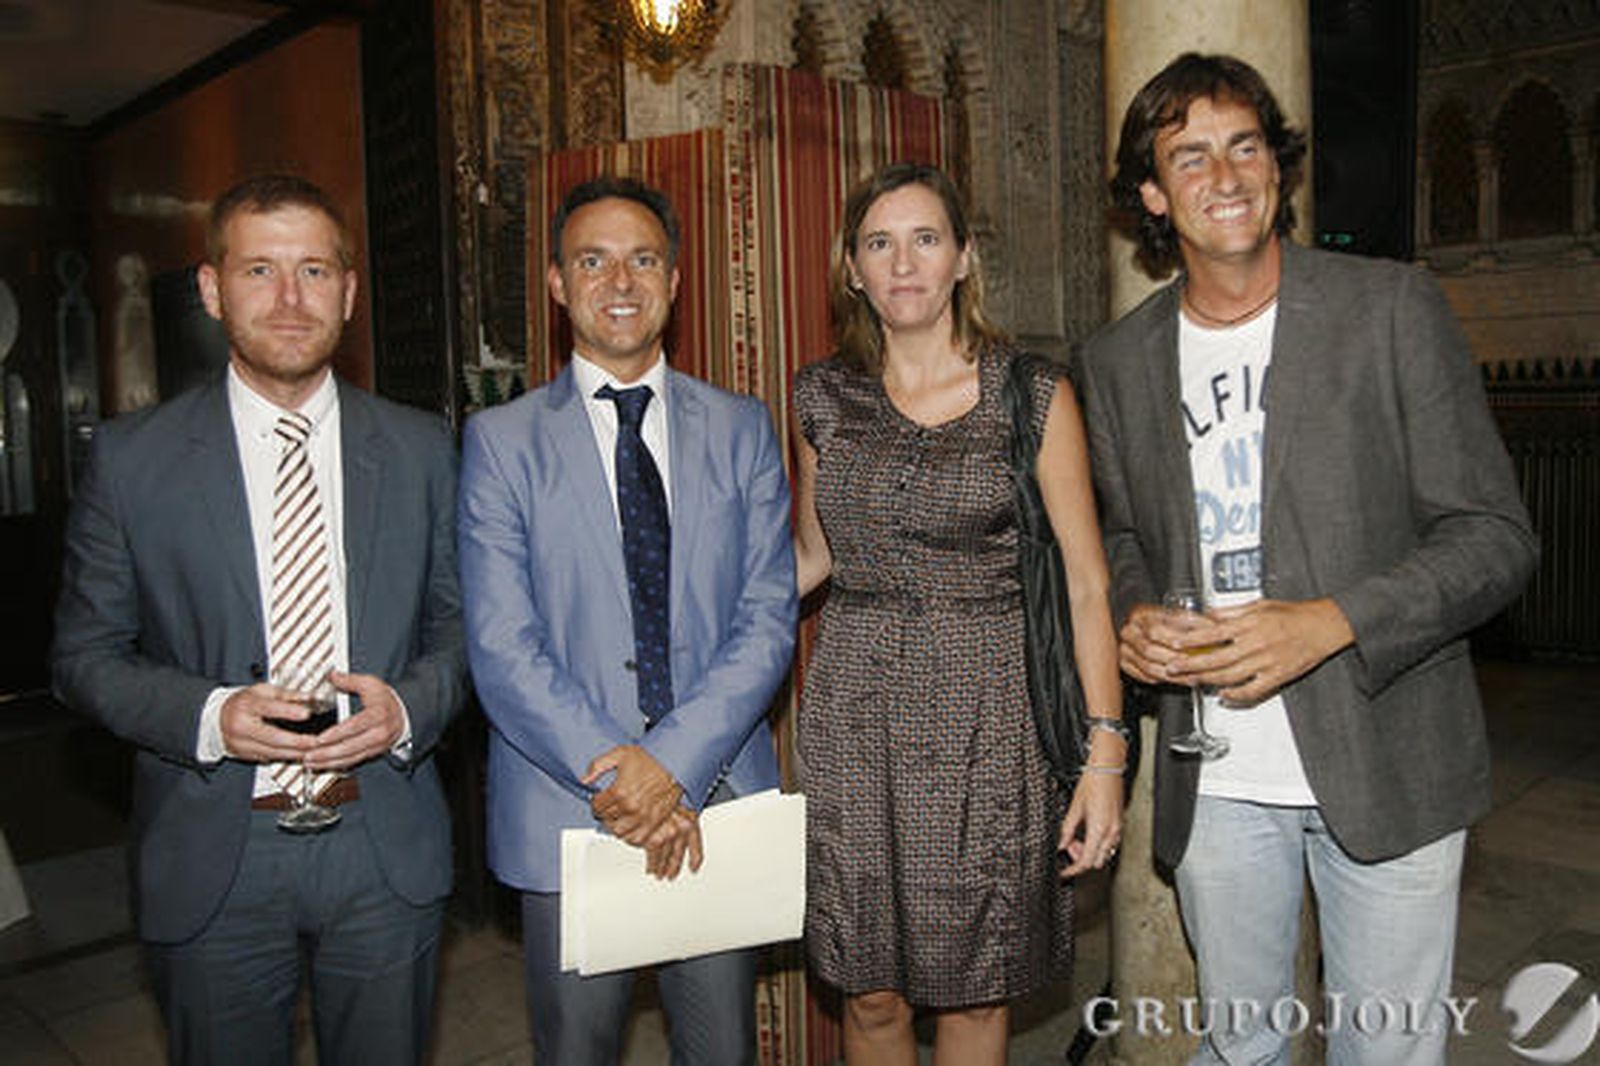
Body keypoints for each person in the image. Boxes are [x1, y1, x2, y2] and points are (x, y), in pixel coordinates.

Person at [1079, 53, 1538, 1065]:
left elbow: (1495, 535)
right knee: (1239, 1049)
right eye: (1188, 157)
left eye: (1245, 145)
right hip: (1219, 772)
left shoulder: (1388, 309)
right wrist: (1134, 613)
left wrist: (1333, 621)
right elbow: (1122, 537)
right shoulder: (1114, 362)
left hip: (1389, 752)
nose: (1224, 175)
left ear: (1279, 168)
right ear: (1153, 195)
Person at [52, 174, 467, 1064]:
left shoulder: (422, 448)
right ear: (211, 289)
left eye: (315, 271)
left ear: (350, 294)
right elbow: (83, 657)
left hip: (383, 841)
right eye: (260, 271)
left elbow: (465, 630)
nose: (289, 299)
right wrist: (210, 716)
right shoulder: (133, 461)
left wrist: (408, 706)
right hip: (216, 848)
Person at [791, 162, 1126, 1065]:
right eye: (879, 243)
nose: (903, 263)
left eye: (926, 239)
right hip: (853, 714)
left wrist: (1105, 756)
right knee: (870, 994)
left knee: (976, 990)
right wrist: (682, 617)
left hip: (989, 719)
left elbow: (1088, 586)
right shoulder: (821, 396)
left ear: (964, 259)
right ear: (851, 269)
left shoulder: (1034, 394)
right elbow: (813, 557)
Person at [458, 175, 796, 1065]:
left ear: (675, 281)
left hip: (714, 795)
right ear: (559, 283)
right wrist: (626, 778)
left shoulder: (742, 428)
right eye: (593, 260)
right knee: (577, 1052)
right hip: (566, 801)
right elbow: (500, 644)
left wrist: (674, 768)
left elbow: (766, 617)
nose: (620, 281)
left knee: (721, 1050)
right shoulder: (501, 442)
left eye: (643, 259)